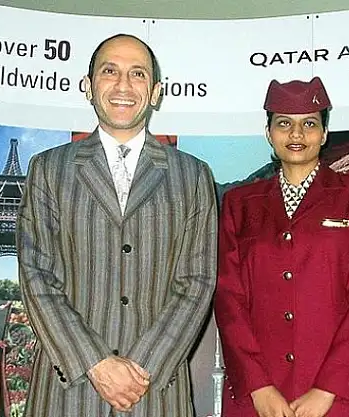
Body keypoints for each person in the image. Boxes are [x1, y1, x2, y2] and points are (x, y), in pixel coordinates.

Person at [17, 34, 217, 417]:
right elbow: (36, 275)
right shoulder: (48, 169)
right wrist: (96, 363)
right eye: (110, 71)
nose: (123, 85)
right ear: (88, 85)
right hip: (68, 390)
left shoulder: (192, 176)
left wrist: (143, 366)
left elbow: (197, 281)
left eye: (137, 74)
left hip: (156, 392)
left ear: (156, 92)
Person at [215, 77, 349, 417]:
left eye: (309, 124)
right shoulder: (240, 203)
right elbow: (228, 299)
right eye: (284, 124)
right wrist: (258, 387)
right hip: (257, 398)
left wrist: (328, 390)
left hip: (338, 396)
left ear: (324, 133)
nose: (296, 134)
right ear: (269, 133)